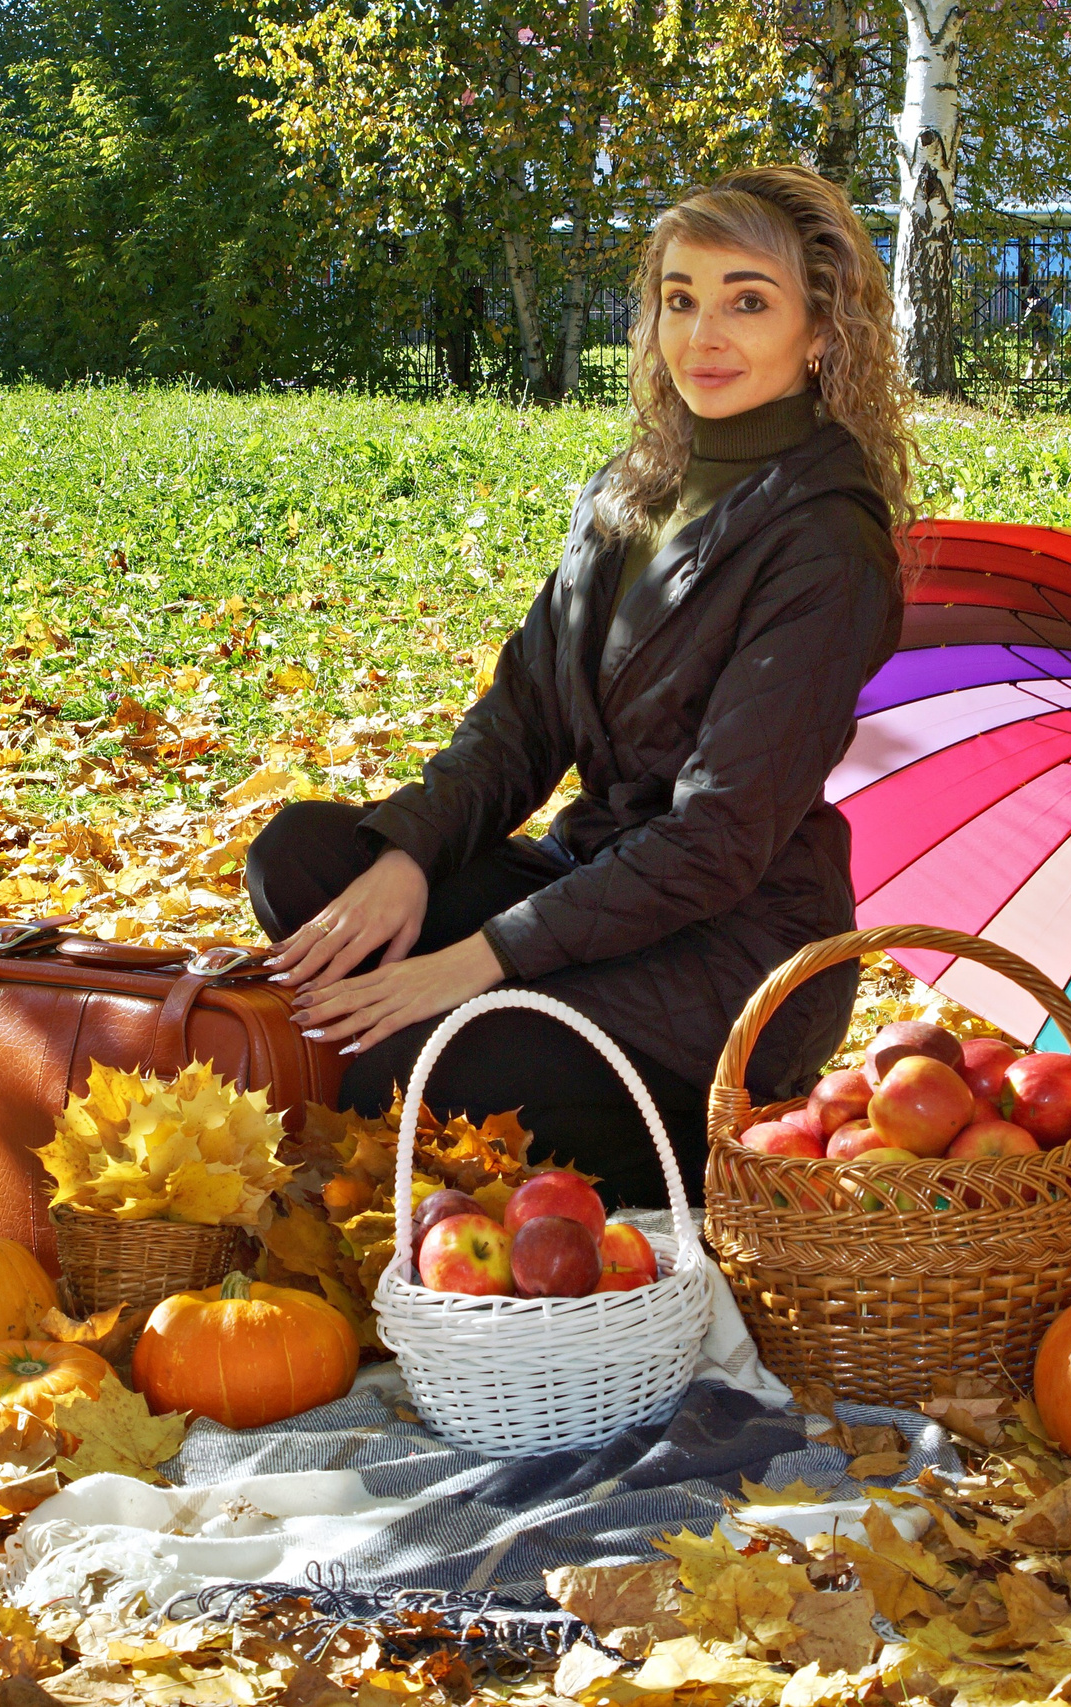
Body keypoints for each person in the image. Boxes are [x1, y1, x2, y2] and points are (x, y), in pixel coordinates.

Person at [243, 165, 913, 1206]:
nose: (703, 336)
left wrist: (479, 959)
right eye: (679, 299)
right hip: (592, 882)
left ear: (819, 331)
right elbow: (519, 721)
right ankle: (511, 1059)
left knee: (396, 1069)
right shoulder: (630, 491)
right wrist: (411, 854)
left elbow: (717, 840)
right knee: (308, 860)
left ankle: (719, 1163)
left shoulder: (827, 542)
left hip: (730, 948)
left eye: (748, 300)